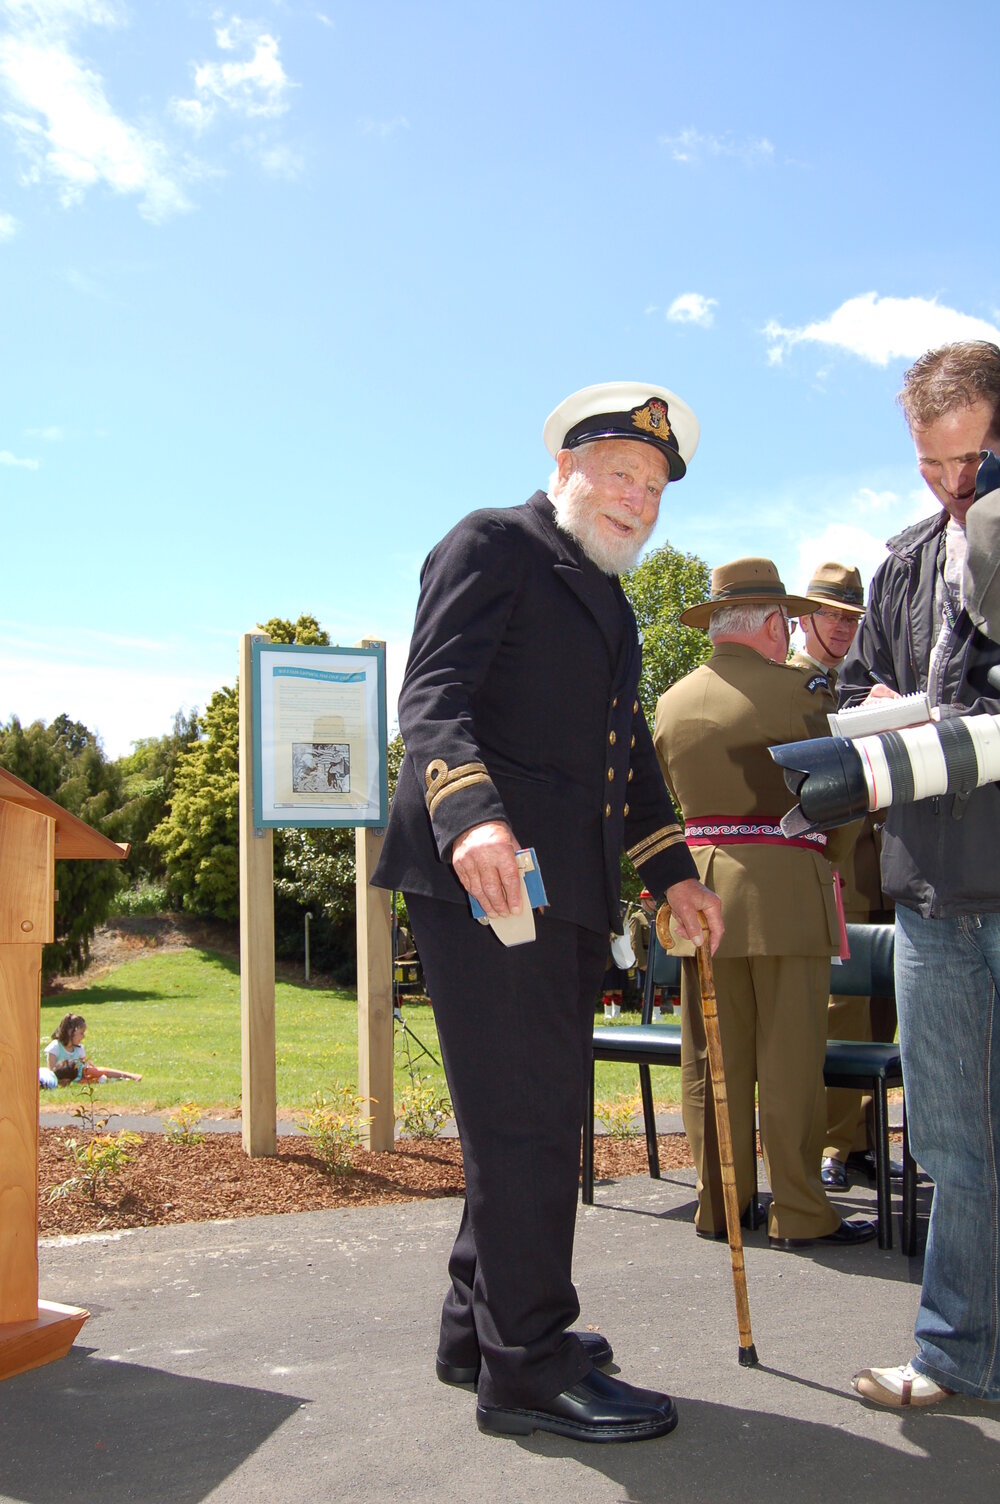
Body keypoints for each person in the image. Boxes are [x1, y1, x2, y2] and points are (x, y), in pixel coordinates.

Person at [372, 381, 723, 1444]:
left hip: (564, 901)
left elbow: (632, 771)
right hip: (486, 884)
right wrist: (470, 814)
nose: (636, 499)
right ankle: (529, 1361)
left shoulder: (609, 602)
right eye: (619, 474)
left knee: (526, 1120)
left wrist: (673, 874)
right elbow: (433, 694)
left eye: (654, 487)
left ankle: (477, 1330)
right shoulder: (493, 543)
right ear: (566, 467)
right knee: (528, 1126)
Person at [841, 341, 1000, 1409]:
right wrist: (878, 708)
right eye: (932, 463)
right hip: (933, 889)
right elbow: (849, 684)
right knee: (948, 1134)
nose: (954, 484)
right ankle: (956, 1355)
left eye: (974, 458)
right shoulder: (897, 563)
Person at [653, 557, 876, 1249]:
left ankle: (721, 1205)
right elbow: (844, 797)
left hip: (696, 895)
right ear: (774, 624)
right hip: (783, 897)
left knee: (712, 1061)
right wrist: (822, 866)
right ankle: (801, 1212)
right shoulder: (799, 693)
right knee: (789, 1062)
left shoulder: (670, 701)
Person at [788, 563, 895, 1189]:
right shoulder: (793, 685)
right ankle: (833, 1144)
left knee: (883, 1013)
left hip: (883, 869)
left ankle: (862, 1141)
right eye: (830, 615)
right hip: (833, 873)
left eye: (852, 618)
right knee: (842, 1008)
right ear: (803, 619)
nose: (842, 628)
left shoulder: (863, 683)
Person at [53, 1060, 142, 1085]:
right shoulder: (77, 1081)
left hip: (80, 1069)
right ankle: (112, 1080)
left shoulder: (85, 1070)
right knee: (89, 1082)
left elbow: (104, 1072)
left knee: (101, 1072)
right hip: (75, 1073)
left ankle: (130, 1076)